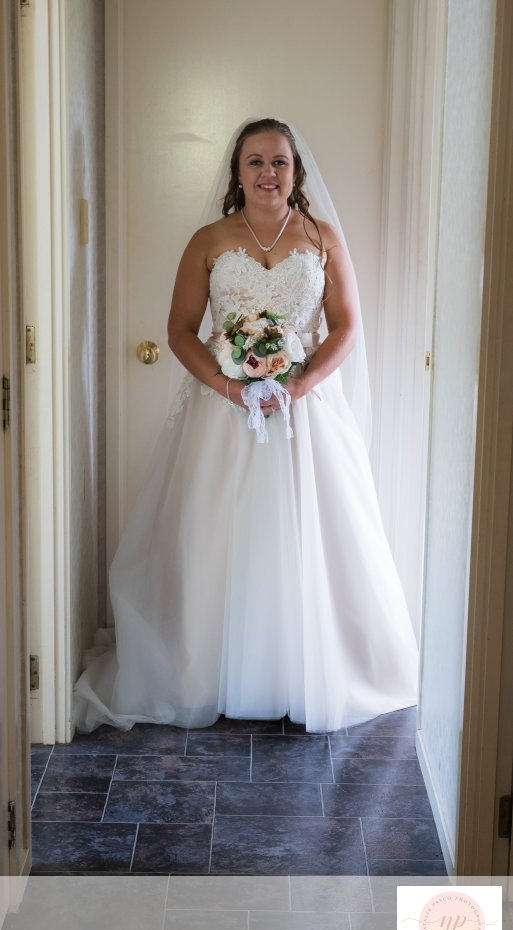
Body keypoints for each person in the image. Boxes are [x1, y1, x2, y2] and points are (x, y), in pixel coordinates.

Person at [73, 118, 418, 734]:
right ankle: (207, 670)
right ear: (237, 171)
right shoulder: (208, 240)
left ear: (296, 170)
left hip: (306, 415)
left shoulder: (323, 238)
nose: (267, 173)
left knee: (311, 536)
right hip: (221, 413)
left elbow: (345, 328)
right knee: (215, 536)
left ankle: (307, 670)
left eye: (279, 161)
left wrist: (297, 387)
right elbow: (181, 330)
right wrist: (231, 386)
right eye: (255, 161)